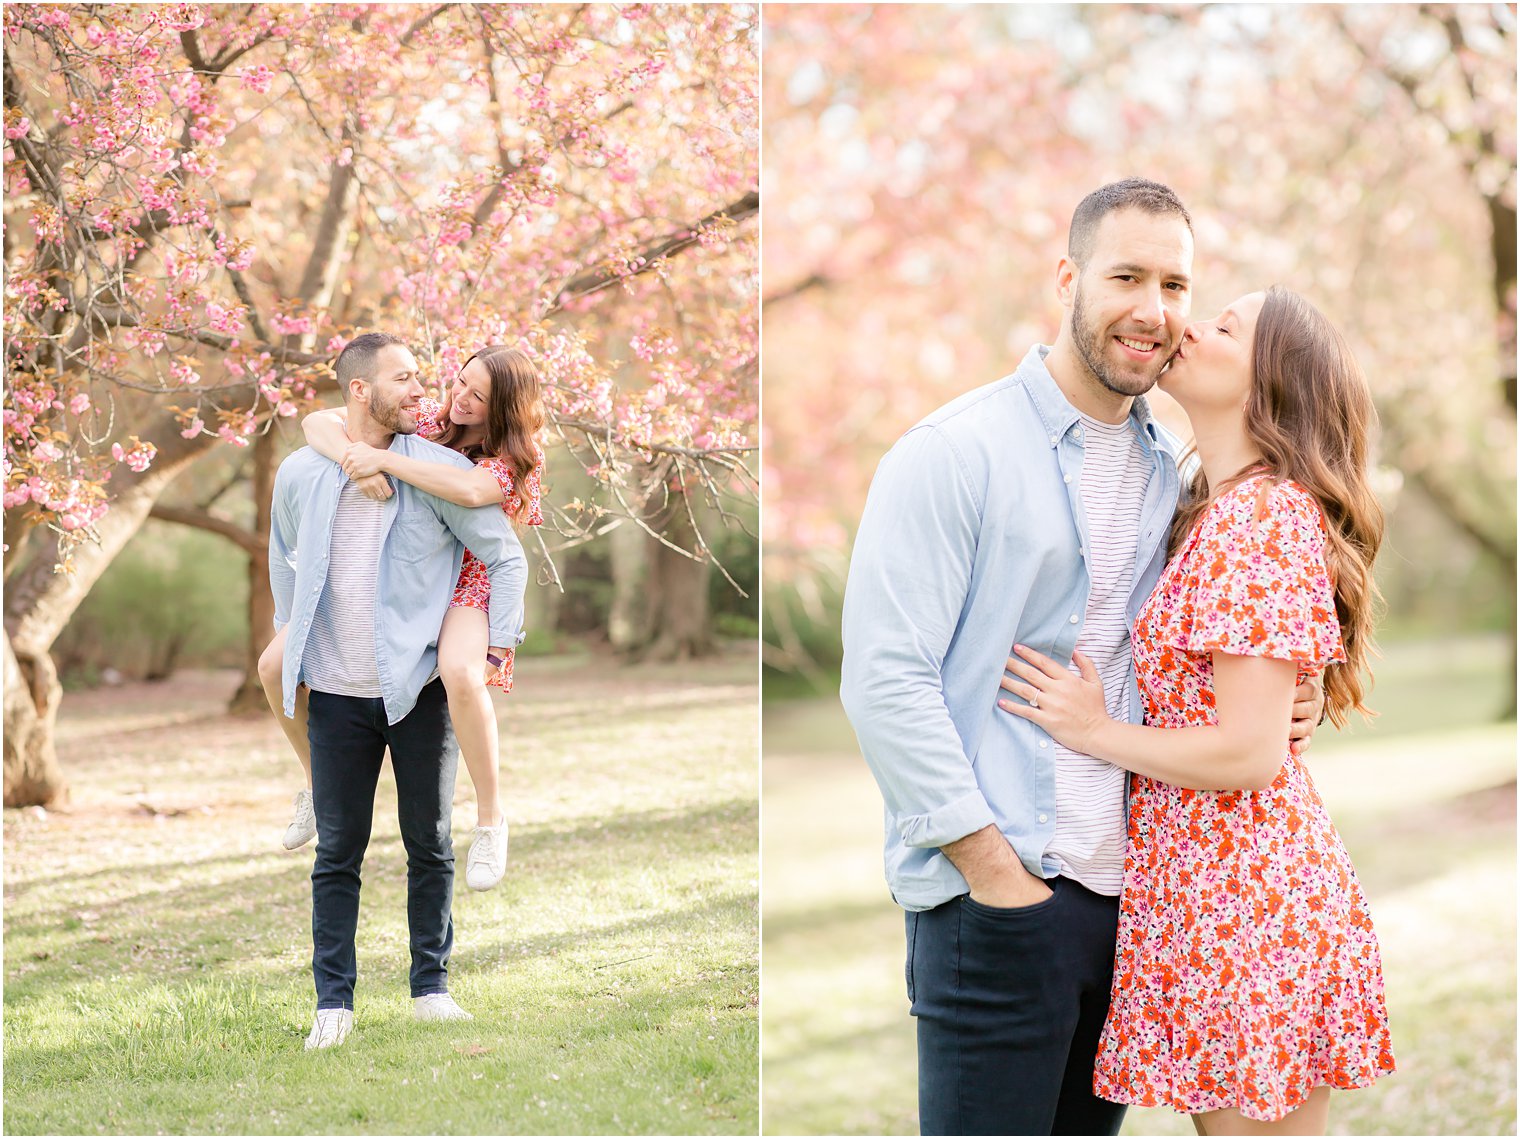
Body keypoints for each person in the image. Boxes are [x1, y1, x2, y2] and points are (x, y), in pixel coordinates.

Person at [838, 178, 1324, 1136]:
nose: (1154, 310)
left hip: (1131, 906)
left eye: (1177, 285)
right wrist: (994, 876)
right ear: (1068, 277)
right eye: (1127, 276)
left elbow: (1207, 657)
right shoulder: (953, 454)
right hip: (1002, 898)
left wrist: (1284, 710)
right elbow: (886, 680)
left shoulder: (1175, 476)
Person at [997, 286, 1395, 1133]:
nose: (1190, 326)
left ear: (1269, 383)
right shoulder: (1212, 510)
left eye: (1225, 328)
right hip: (1209, 887)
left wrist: (1094, 731)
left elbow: (1251, 755)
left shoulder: (1261, 518)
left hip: (1246, 893)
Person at [268, 331, 527, 1050]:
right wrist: (292, 639)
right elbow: (282, 558)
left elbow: (503, 554)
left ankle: (431, 987)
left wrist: (496, 642)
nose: (425, 390)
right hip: (337, 690)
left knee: (430, 841)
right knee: (338, 851)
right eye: (406, 378)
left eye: (425, 376)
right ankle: (334, 1003)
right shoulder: (301, 471)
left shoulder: (437, 468)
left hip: (416, 684)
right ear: (360, 389)